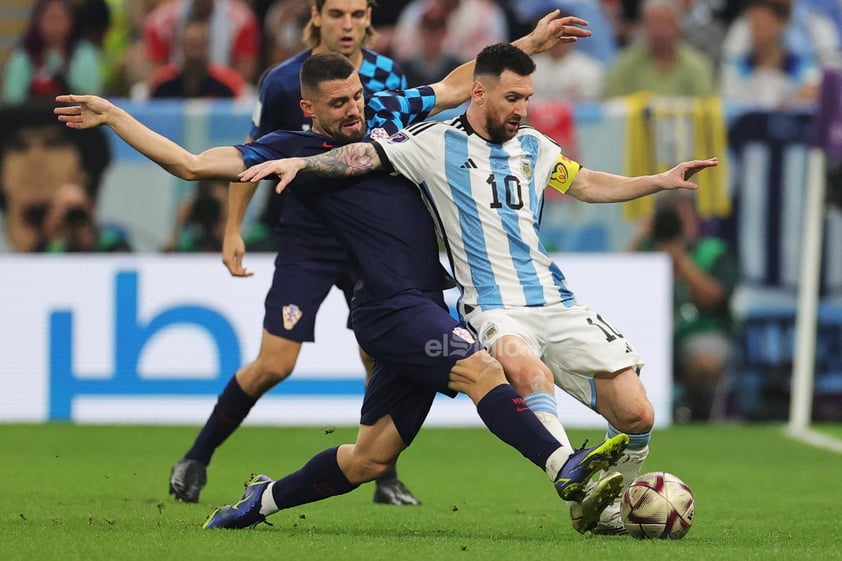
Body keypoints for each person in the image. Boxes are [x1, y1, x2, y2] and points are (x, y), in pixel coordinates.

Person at [56, 26, 633, 537]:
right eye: (338, 103)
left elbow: (457, 86)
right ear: (309, 110)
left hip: (421, 302)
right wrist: (116, 116)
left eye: (356, 95)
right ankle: (565, 469)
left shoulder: (385, 116)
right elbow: (191, 163)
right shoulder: (293, 151)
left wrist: (527, 45)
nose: (354, 110)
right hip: (391, 309)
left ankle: (262, 500)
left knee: (370, 460)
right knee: (482, 368)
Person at [239, 43, 719, 535]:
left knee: (637, 413)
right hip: (490, 306)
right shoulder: (432, 142)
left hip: (556, 300)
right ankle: (568, 472)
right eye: (512, 98)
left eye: (527, 98)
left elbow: (587, 183)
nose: (522, 109)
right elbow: (362, 155)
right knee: (524, 371)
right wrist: (302, 163)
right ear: (479, 92)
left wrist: (658, 181)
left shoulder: (535, 147)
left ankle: (610, 503)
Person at [169, 0, 414, 507]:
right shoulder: (284, 81)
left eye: (356, 14)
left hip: (366, 239)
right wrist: (233, 228)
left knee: (381, 354)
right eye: (337, 14)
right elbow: (253, 154)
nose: (347, 25)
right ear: (317, 16)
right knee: (275, 364)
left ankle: (383, 472)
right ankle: (197, 455)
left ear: (369, 18)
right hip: (308, 237)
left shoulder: (388, 74)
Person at [629, 192, 738, 422]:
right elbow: (615, 282)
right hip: (647, 338)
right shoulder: (647, 251)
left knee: (705, 362)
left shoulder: (712, 251)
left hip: (699, 332)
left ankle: (696, 412)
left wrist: (680, 260)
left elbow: (713, 297)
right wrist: (641, 236)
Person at [0, 104, 117, 253]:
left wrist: (85, 237)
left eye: (53, 144)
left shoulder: (111, 243)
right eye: (19, 147)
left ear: (85, 170)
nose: (36, 160)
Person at [601, 0, 715, 98]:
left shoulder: (697, 65)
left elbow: (708, 105)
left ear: (678, 28)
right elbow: (610, 104)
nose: (660, 32)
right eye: (654, 24)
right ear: (644, 27)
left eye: (666, 24)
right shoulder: (625, 64)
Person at [719, 0, 821, 109]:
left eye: (763, 24)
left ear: (781, 23)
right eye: (753, 24)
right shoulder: (737, 68)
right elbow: (729, 107)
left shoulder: (803, 68)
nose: (757, 31)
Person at [2, 0, 103, 104]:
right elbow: (13, 99)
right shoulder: (23, 56)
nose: (55, 24)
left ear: (72, 20)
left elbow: (92, 96)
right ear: (38, 21)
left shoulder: (85, 53)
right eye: (50, 18)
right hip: (31, 118)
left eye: (61, 18)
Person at [141, 0, 261, 85]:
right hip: (175, 87)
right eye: (190, 44)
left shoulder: (242, 21)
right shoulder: (159, 22)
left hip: (223, 89)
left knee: (247, 93)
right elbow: (155, 73)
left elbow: (244, 72)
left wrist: (222, 83)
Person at [149, 17, 247, 99]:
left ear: (207, 46)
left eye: (199, 44)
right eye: (190, 44)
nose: (194, 51)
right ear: (180, 45)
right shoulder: (162, 84)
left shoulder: (228, 84)